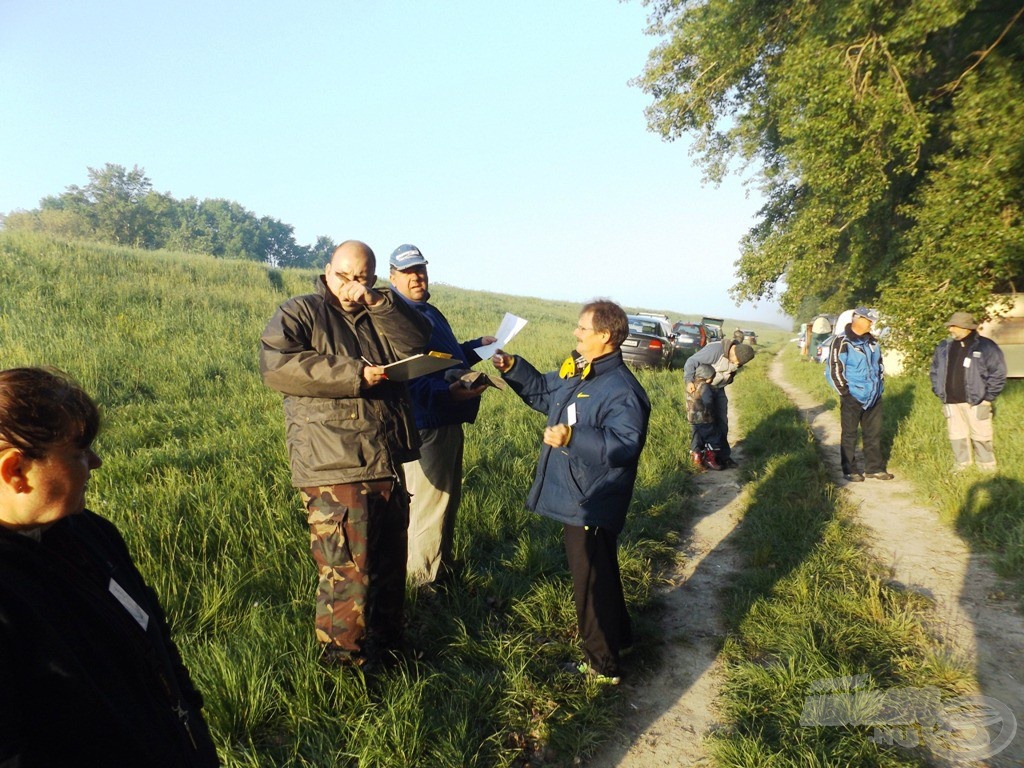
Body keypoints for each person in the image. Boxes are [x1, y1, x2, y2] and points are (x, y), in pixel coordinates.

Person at [0, 367, 219, 767]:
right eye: (78, 451)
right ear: (15, 471)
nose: (96, 462)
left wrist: (191, 719)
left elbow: (155, 637)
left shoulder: (89, 533)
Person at [259, 240, 431, 668]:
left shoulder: (380, 311)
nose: (351, 287)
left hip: (385, 461)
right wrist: (356, 374)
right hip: (333, 464)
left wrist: (378, 302)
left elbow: (417, 341)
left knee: (390, 566)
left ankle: (389, 654)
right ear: (327, 269)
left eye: (362, 279)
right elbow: (278, 366)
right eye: (343, 276)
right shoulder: (300, 312)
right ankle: (342, 669)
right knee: (346, 575)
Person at [492, 300, 650, 684]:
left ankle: (602, 664)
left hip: (592, 499)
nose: (576, 334)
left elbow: (625, 444)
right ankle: (620, 637)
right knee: (602, 571)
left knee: (590, 581)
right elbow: (548, 394)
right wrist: (514, 368)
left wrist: (573, 437)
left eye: (583, 329)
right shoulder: (585, 374)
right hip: (583, 495)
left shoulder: (620, 389)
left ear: (605, 336)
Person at [388, 244, 496, 587]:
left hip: (447, 415)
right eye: (408, 273)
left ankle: (441, 571)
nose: (417, 277)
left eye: (420, 269)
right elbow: (409, 379)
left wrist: (478, 346)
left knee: (446, 500)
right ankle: (423, 585)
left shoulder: (429, 312)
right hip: (426, 424)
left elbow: (446, 358)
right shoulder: (397, 318)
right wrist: (446, 394)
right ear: (392, 277)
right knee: (428, 507)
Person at [929, 311, 1007, 472]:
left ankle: (986, 468)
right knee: (956, 435)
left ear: (966, 328)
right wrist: (938, 390)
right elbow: (935, 370)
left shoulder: (986, 346)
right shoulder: (945, 346)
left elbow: (998, 373)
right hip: (950, 401)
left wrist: (988, 397)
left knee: (982, 434)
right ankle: (962, 466)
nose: (950, 329)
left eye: (953, 326)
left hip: (977, 401)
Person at [826, 306, 893, 482]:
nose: (872, 324)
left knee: (873, 433)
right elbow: (834, 370)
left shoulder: (873, 343)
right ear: (858, 320)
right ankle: (850, 470)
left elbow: (879, 366)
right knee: (849, 434)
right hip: (852, 397)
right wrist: (846, 394)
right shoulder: (841, 342)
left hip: (874, 396)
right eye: (869, 321)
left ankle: (875, 468)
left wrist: (879, 388)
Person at [682, 337, 755, 469]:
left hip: (718, 388)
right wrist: (688, 381)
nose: (737, 365)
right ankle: (697, 454)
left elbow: (730, 374)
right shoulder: (715, 350)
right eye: (736, 362)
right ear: (733, 353)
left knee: (722, 422)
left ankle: (723, 456)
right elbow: (691, 361)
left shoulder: (740, 355)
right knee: (701, 421)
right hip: (701, 387)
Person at [685, 363, 721, 471]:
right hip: (705, 418)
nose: (712, 380)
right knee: (712, 437)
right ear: (706, 377)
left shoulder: (691, 385)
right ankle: (710, 459)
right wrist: (712, 409)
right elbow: (708, 401)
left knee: (697, 439)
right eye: (711, 378)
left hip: (692, 418)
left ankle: (697, 460)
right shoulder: (705, 386)